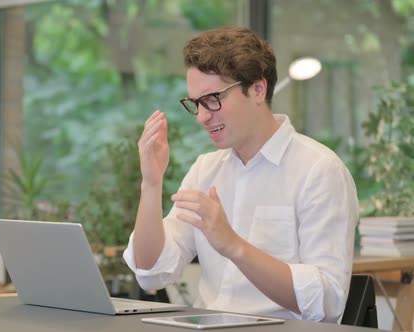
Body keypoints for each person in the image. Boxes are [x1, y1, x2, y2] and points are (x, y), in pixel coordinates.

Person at [122, 26, 359, 323]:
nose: (202, 116)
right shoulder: (206, 170)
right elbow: (151, 273)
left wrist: (233, 245)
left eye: (212, 99)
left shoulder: (319, 170)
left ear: (257, 90)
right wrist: (151, 183)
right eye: (195, 103)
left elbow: (328, 301)